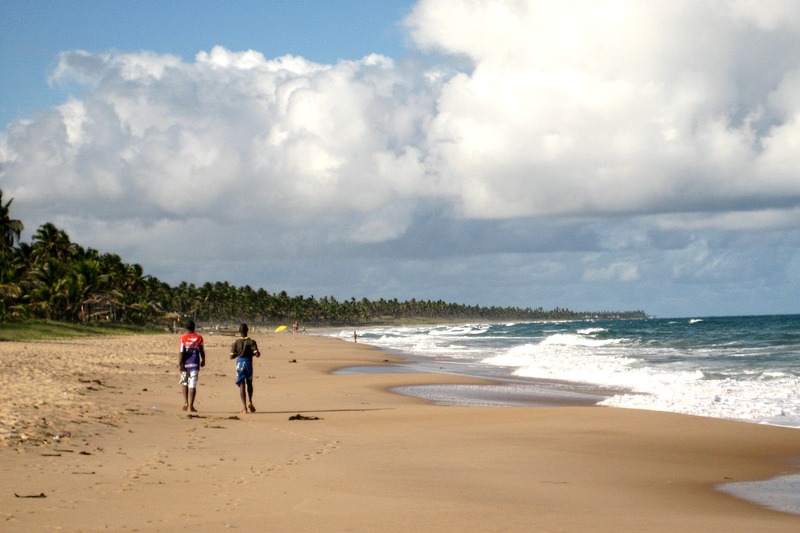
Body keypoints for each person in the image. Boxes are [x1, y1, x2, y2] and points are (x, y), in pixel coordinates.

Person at [230, 323, 261, 414]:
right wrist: (251, 353)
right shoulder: (251, 341)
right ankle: (250, 401)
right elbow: (257, 354)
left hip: (240, 363)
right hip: (248, 362)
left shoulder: (235, 342)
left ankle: (244, 407)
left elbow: (231, 357)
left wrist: (239, 354)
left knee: (241, 384)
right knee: (249, 383)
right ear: (247, 330)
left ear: (239, 331)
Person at [179, 320, 205, 412]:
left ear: (186, 328)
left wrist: (180, 364)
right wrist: (203, 360)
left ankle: (185, 402)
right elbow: (201, 350)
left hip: (185, 364)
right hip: (194, 364)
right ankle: (191, 406)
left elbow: (181, 352)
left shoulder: (183, 338)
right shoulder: (199, 338)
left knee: (184, 382)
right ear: (194, 328)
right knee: (192, 384)